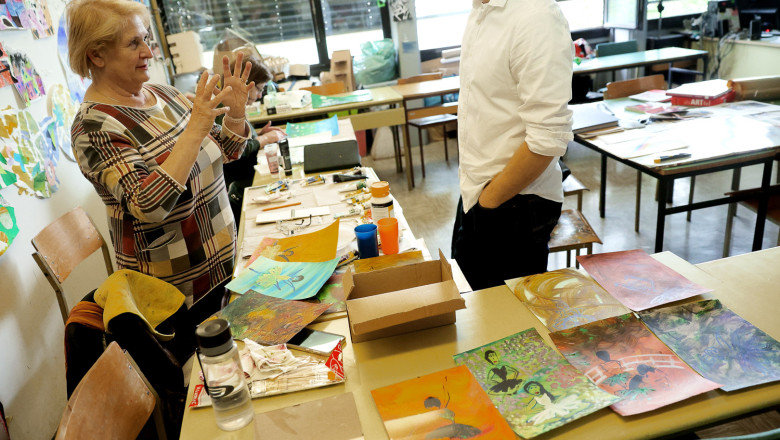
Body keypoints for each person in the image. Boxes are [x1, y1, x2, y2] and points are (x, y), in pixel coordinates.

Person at [67, 0, 255, 308]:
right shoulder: (94, 128)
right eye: (133, 43)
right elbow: (149, 205)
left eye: (145, 39)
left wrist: (235, 114)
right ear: (96, 54)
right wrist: (194, 130)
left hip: (225, 267)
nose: (148, 52)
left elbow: (226, 152)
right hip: (175, 298)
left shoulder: (164, 94)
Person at [450, 0, 574, 290]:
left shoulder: (535, 16)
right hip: (477, 190)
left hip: (513, 203)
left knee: (506, 327)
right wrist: (479, 198)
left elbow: (548, 138)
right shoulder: (481, 10)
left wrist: (490, 200)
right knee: (472, 309)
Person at [218, 52, 286, 220]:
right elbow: (235, 150)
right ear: (247, 84)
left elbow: (240, 138)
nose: (260, 96)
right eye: (259, 89)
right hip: (237, 185)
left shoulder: (235, 107)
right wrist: (265, 140)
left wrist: (258, 134)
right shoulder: (223, 110)